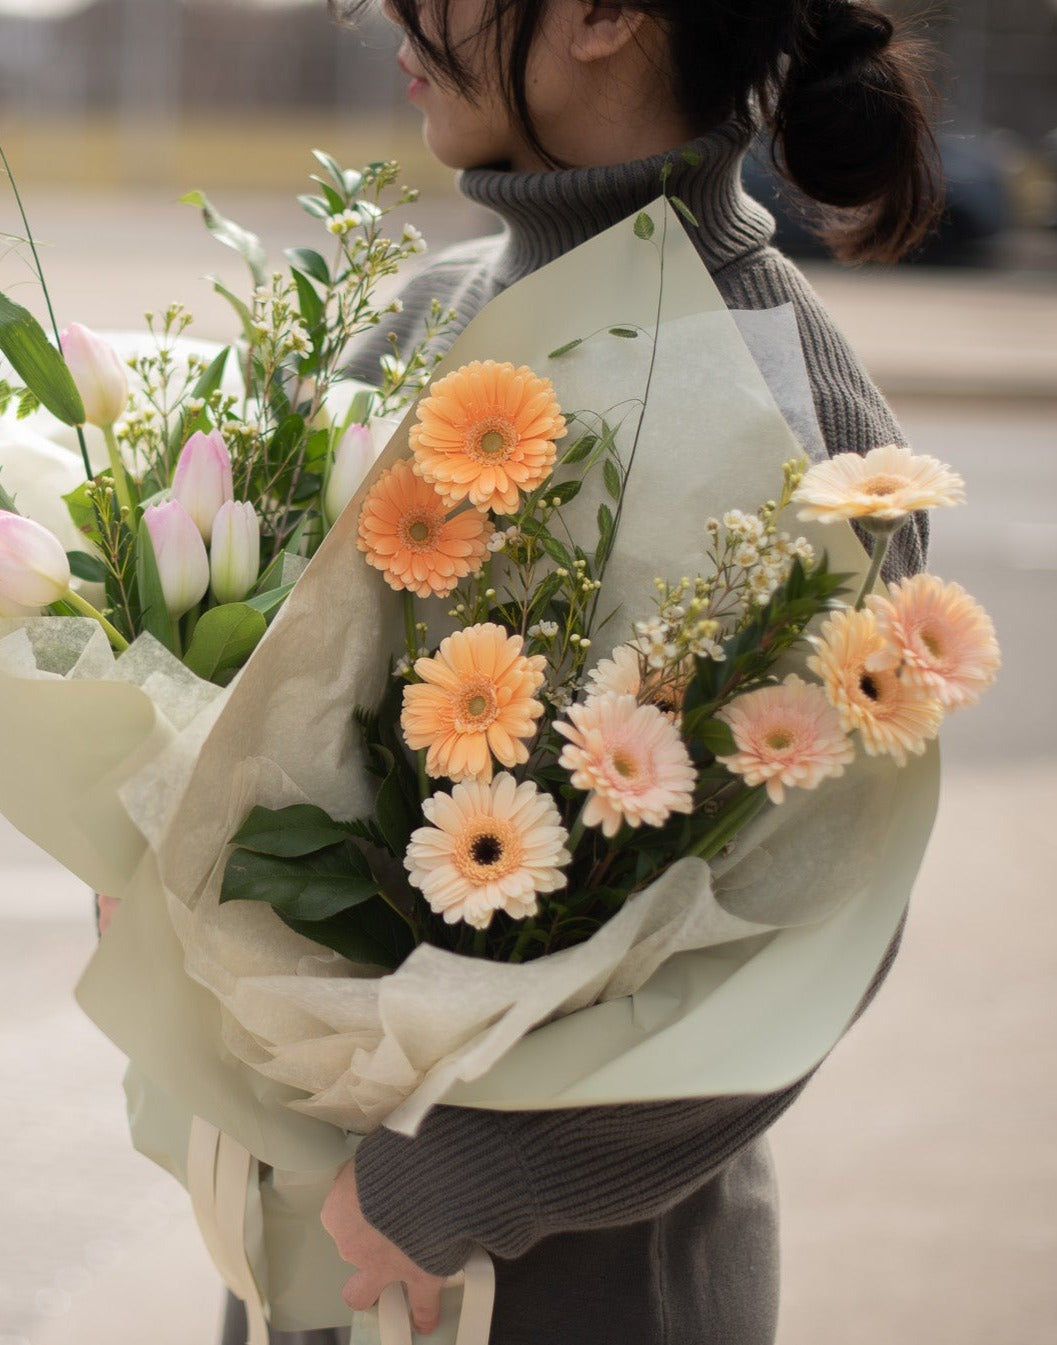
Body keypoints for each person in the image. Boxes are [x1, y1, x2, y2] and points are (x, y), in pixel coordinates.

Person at [259, 2, 941, 1343]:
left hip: (599, 1287)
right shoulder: (411, 318)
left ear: (603, 13)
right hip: (317, 1249)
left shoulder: (798, 418)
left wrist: (465, 1172)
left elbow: (811, 929)